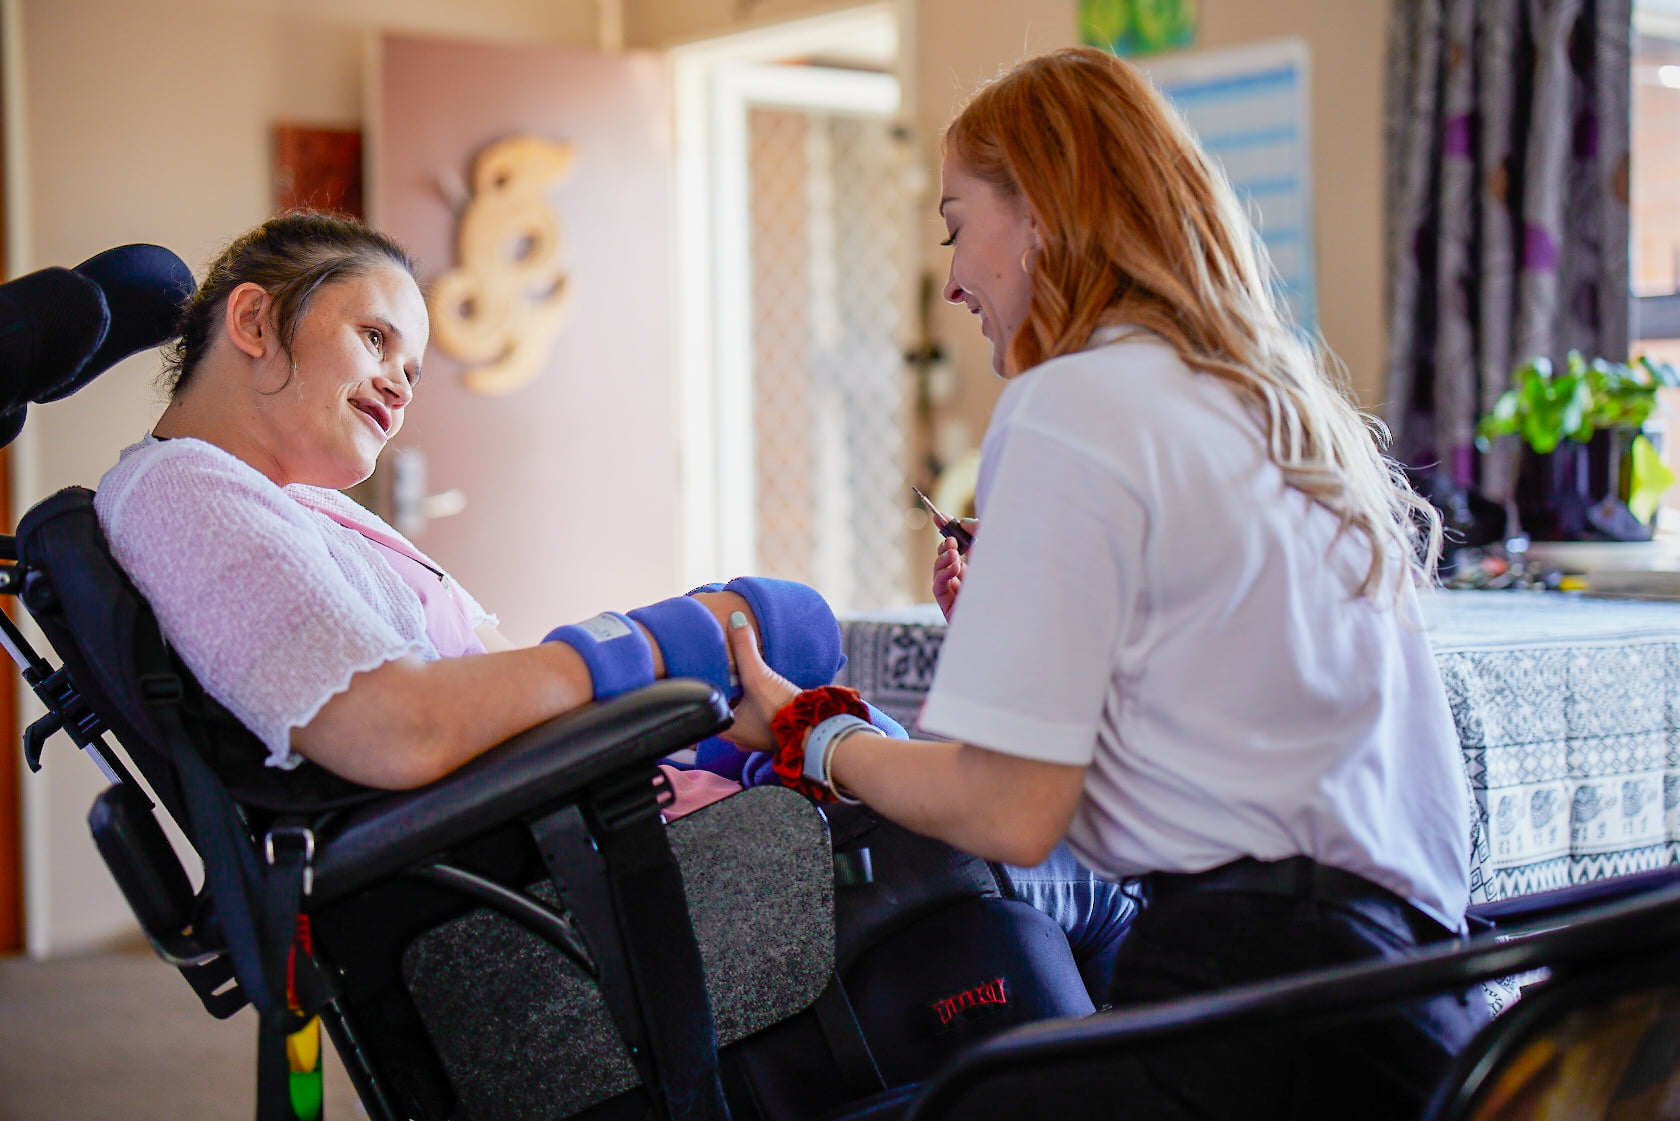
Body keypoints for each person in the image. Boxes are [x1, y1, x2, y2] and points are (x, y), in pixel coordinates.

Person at [723, 47, 1486, 1119]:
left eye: (955, 225)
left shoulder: (1070, 403)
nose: (950, 278)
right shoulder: (1282, 411)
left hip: (1257, 1013)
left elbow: (1011, 808)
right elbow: (1206, 711)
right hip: (1414, 1013)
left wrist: (820, 737)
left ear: (1038, 209)